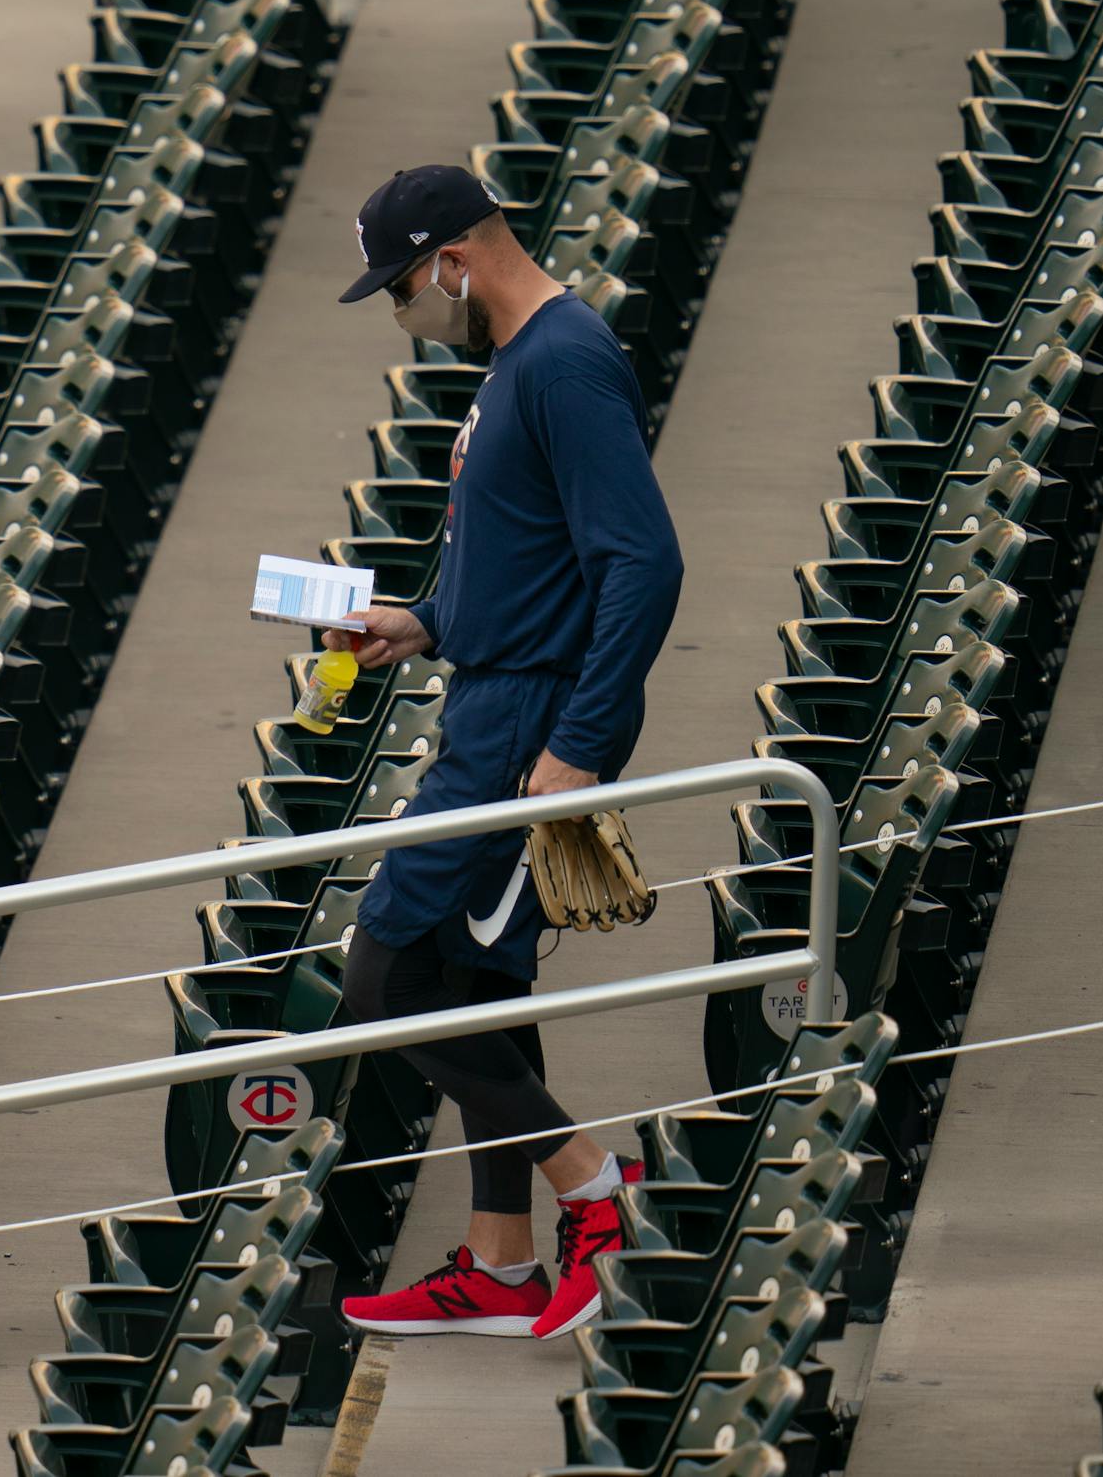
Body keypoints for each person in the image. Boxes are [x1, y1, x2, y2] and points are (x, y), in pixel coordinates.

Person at [328, 165, 683, 1340]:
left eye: (402, 286)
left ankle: (592, 1189)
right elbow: (526, 557)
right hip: (498, 698)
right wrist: (425, 620)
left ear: (455, 261)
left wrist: (576, 747)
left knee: (388, 982)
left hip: (530, 727)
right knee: (477, 982)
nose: (401, 311)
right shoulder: (519, 364)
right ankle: (501, 1262)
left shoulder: (564, 360)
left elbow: (642, 562)